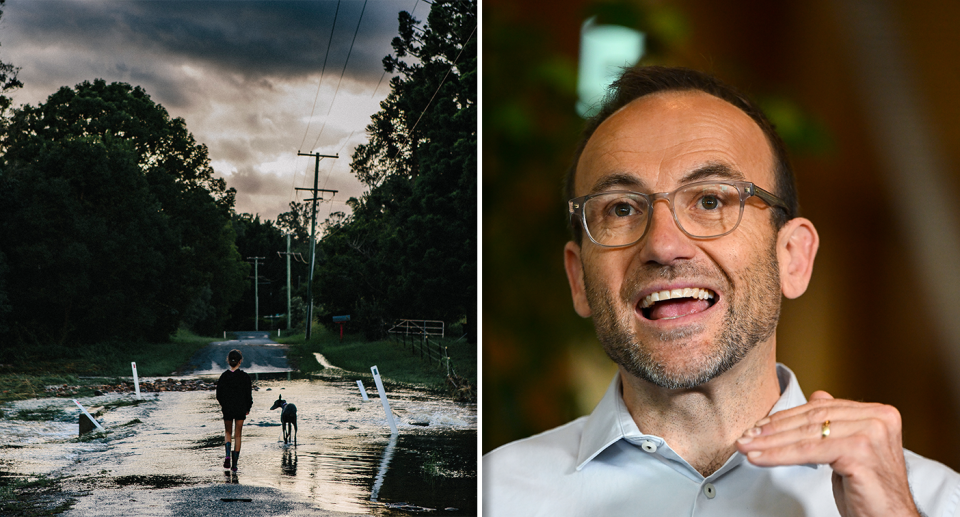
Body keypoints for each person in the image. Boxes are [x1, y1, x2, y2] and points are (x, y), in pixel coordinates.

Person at [482, 66, 960, 516]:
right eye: (622, 209)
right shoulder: (491, 493)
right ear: (579, 279)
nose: (664, 245)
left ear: (792, 258)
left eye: (710, 200)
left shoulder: (936, 501)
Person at [216, 349, 253, 473]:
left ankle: (227, 456)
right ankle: (235, 464)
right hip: (240, 409)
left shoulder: (224, 376)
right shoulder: (244, 377)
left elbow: (218, 394)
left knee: (227, 432)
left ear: (228, 361)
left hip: (227, 408)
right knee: (238, 435)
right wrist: (248, 407)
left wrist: (223, 405)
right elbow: (248, 394)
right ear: (240, 361)